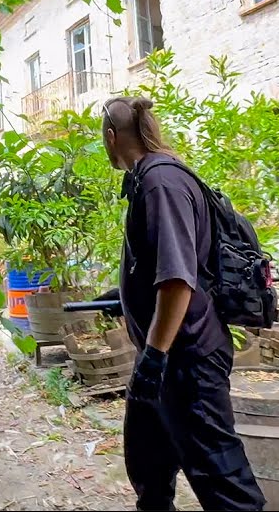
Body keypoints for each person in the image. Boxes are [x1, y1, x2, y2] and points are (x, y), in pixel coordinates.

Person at [99, 95, 266, 512]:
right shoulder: (149, 178)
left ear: (111, 136)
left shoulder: (161, 182)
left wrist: (154, 358)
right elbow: (162, 267)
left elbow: (176, 280)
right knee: (149, 466)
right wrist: (124, 297)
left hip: (186, 360)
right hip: (163, 359)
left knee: (223, 482)